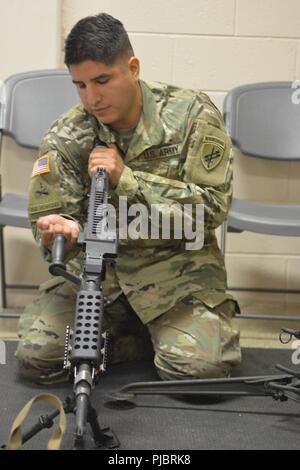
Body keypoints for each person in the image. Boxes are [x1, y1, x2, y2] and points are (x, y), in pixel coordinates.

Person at [15, 13, 241, 384]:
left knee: (202, 373)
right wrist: (61, 233)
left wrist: (128, 180)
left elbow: (212, 208)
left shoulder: (191, 116)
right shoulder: (68, 134)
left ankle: (153, 339)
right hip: (97, 280)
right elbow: (52, 216)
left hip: (177, 274)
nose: (93, 98)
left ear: (133, 68)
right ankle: (141, 339)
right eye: (81, 85)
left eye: (102, 80)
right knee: (37, 360)